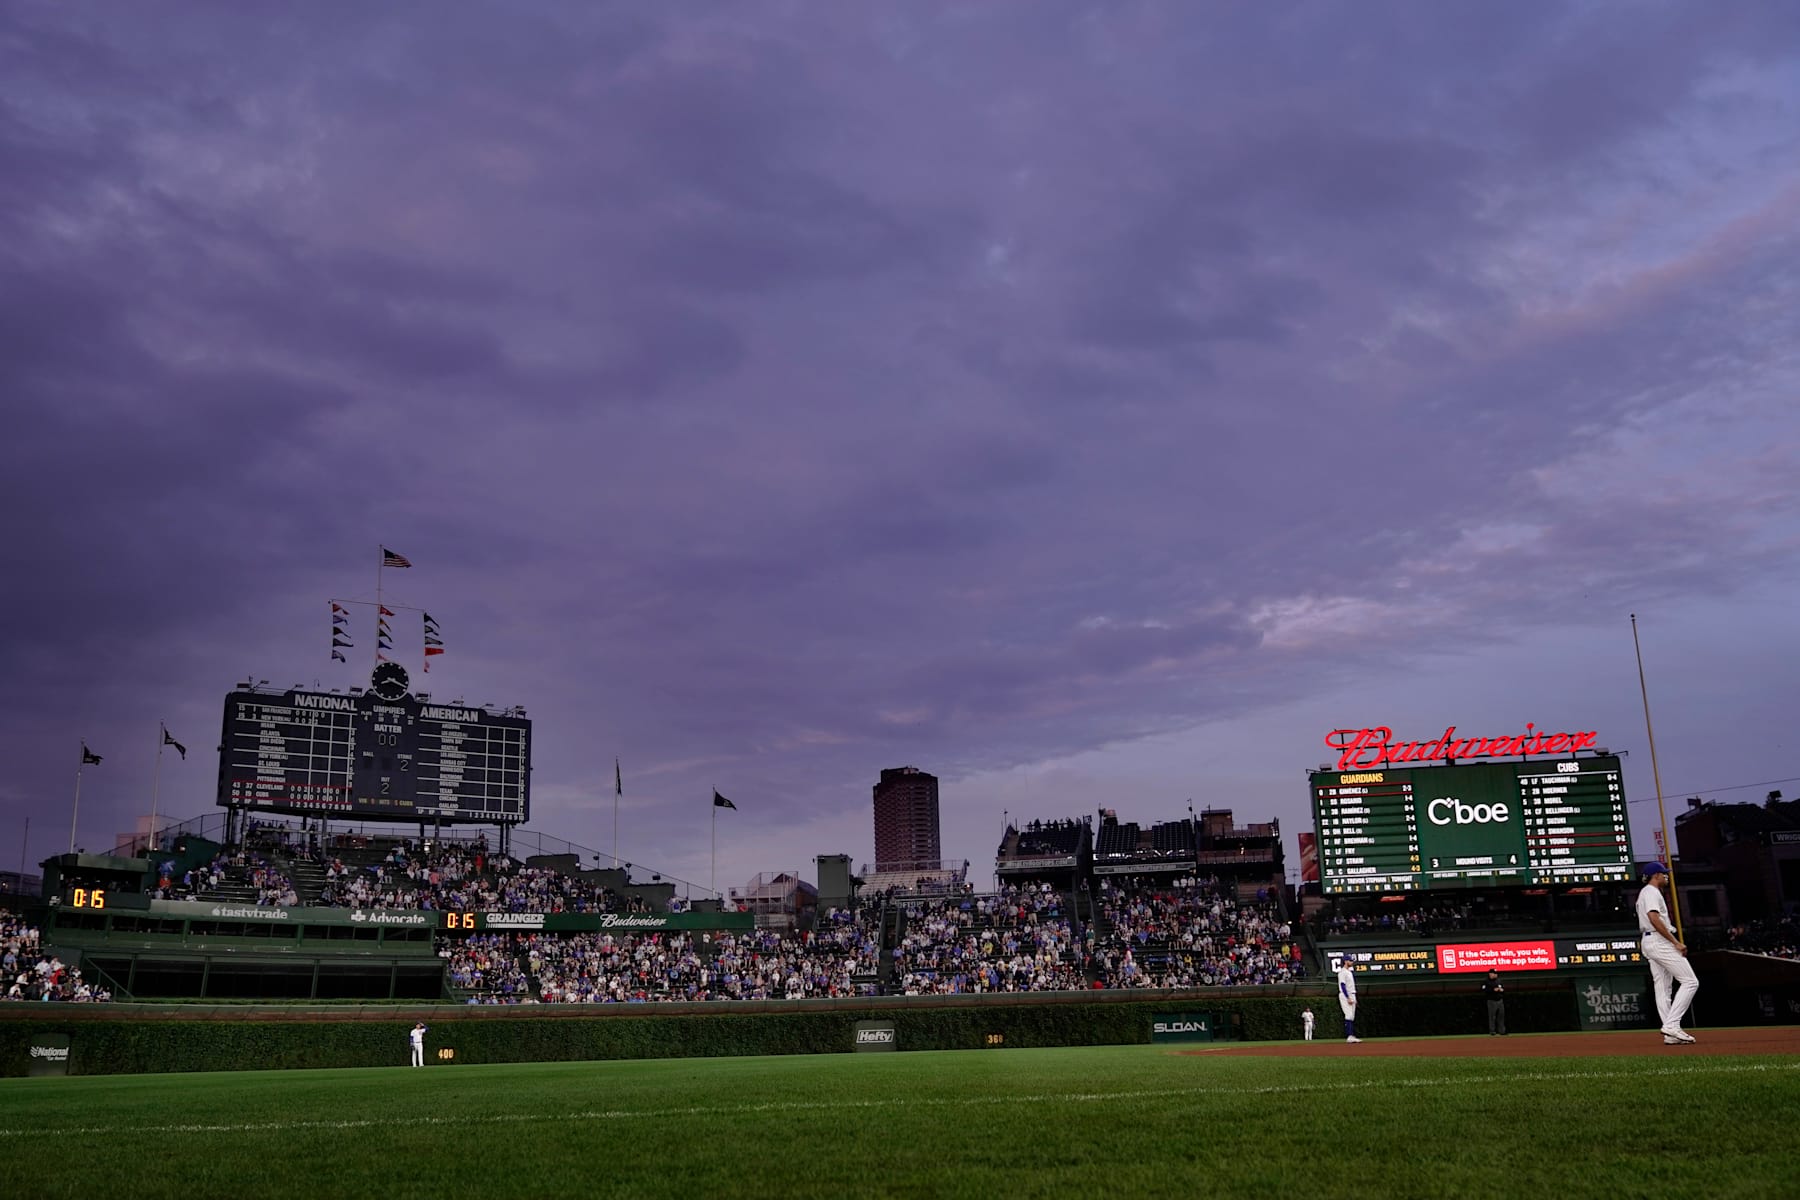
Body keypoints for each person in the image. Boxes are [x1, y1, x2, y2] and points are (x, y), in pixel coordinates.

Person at [1636, 862, 1698, 1044]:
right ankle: (1671, 1025)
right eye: (1664, 873)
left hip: (1650, 940)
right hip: (1659, 940)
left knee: (1663, 988)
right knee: (1691, 982)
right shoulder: (1651, 892)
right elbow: (1653, 918)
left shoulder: (1647, 893)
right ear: (1655, 875)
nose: (1666, 876)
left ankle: (1670, 1034)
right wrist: (1675, 942)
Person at [1336, 959, 1360, 1043]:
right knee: (1348, 1015)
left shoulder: (1349, 972)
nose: (1352, 962)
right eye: (1350, 960)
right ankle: (1349, 1036)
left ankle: (1351, 1035)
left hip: (1352, 994)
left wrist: (1354, 998)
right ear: (1346, 961)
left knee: (1352, 1016)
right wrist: (1348, 997)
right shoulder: (1342, 972)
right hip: (1346, 994)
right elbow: (1342, 985)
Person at [1482, 968, 1506, 1036]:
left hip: (1500, 1001)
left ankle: (1502, 1031)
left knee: (1501, 1016)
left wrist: (1502, 990)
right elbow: (1483, 989)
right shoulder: (1486, 981)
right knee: (1492, 1017)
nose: (1495, 975)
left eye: (1496, 974)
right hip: (1491, 1001)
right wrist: (1492, 990)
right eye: (1494, 973)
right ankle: (1492, 1031)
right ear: (1490, 974)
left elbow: (1503, 988)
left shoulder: (1499, 980)